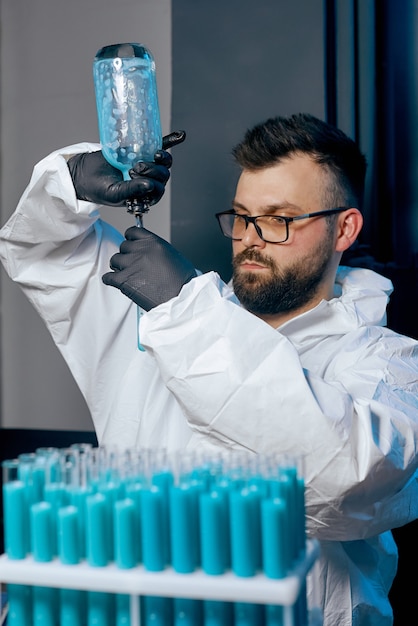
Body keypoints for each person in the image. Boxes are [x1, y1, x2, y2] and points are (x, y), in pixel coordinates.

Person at [0, 113, 418, 626]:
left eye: (279, 219)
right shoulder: (163, 306)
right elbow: (44, 252)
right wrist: (70, 183)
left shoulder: (385, 361)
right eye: (242, 217)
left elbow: (346, 478)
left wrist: (183, 310)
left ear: (344, 229)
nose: (250, 239)